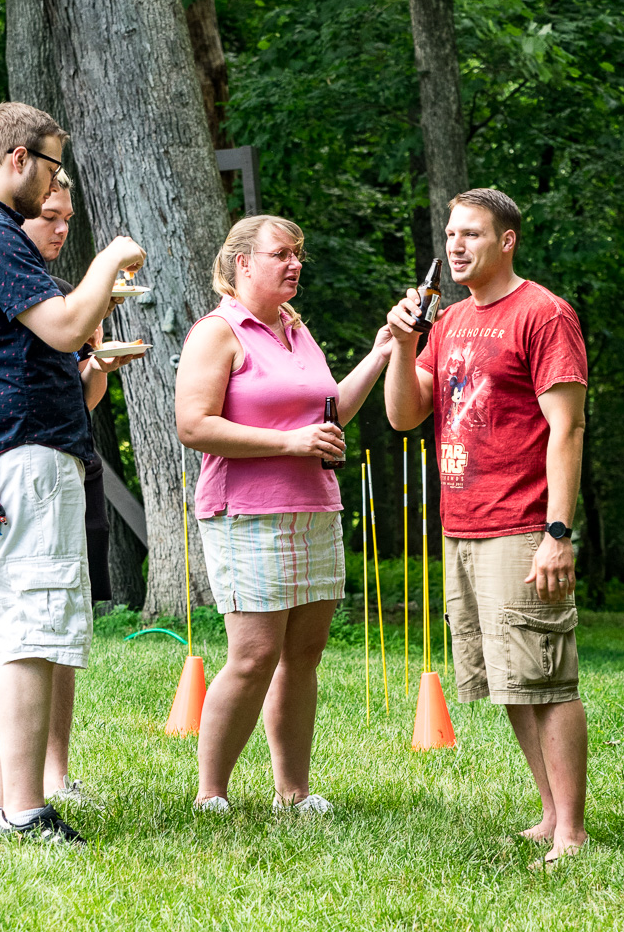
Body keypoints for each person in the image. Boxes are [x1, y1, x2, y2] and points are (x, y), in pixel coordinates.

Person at [0, 102, 145, 846]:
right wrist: (110, 261)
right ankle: (24, 810)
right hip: (17, 461)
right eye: (51, 168)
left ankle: (4, 801)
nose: (54, 184)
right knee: (29, 635)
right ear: (18, 158)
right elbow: (64, 326)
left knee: (5, 632)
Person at [384, 188, 588, 867]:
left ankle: (572, 831)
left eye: (471, 233)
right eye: (450, 234)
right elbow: (404, 415)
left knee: (546, 678)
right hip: (463, 523)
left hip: (522, 524)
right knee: (510, 680)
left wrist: (557, 533)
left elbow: (567, 428)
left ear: (507, 241)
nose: (456, 245)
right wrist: (403, 344)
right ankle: (549, 812)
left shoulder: (543, 314)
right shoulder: (448, 322)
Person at [175, 214, 392, 812]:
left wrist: (379, 353)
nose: (295, 264)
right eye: (281, 254)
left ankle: (292, 793)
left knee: (304, 655)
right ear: (243, 262)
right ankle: (211, 793)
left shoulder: (295, 329)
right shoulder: (218, 332)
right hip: (246, 513)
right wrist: (289, 443)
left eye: (298, 254)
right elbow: (193, 425)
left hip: (315, 506)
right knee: (253, 657)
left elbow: (330, 411)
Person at [21, 172, 139, 801]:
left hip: (77, 463)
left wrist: (98, 367)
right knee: (34, 627)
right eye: (50, 217)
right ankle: (24, 785)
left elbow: (81, 400)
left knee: (68, 623)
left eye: (68, 219)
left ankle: (56, 774)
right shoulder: (19, 291)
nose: (62, 229)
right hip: (27, 471)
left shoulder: (65, 293)